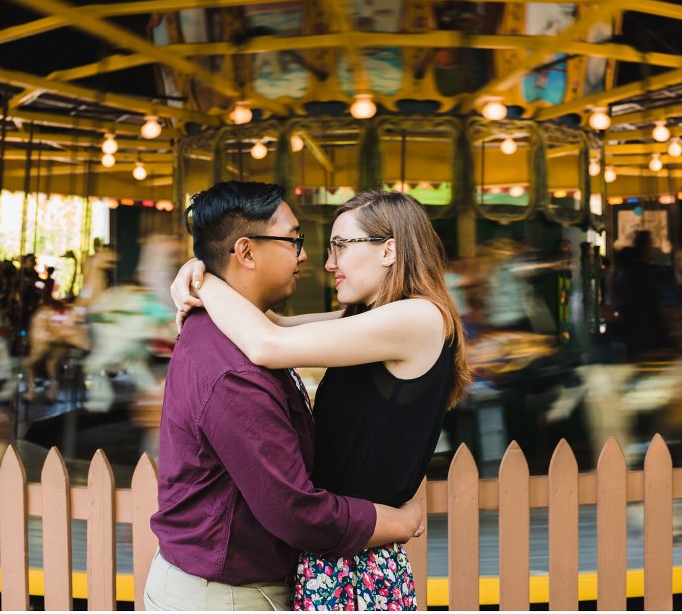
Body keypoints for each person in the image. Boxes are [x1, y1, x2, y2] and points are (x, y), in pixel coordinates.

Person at [172, 188, 472, 611]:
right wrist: (202, 265)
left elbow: (266, 343)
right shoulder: (374, 319)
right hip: (336, 550)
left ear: (389, 249)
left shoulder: (419, 318)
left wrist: (204, 278)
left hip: (356, 562)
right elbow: (273, 322)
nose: (329, 263)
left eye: (340, 247)